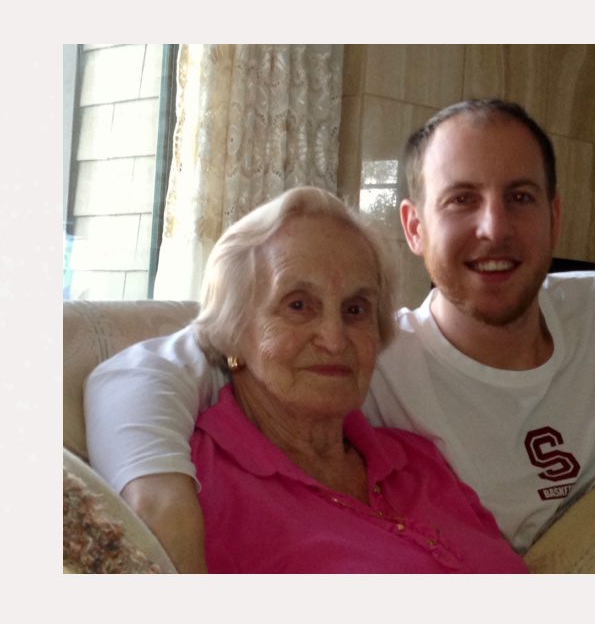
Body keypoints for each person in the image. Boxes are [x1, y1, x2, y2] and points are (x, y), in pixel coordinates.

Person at [85, 99, 595, 570]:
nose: (494, 228)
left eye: (521, 197)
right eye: (461, 199)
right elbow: (146, 368)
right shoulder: (376, 365)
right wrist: (160, 505)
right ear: (415, 227)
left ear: (555, 217)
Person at [154, 187, 524, 573]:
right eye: (298, 305)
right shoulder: (198, 484)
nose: (334, 339)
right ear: (233, 331)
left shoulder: (417, 460)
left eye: (355, 309)